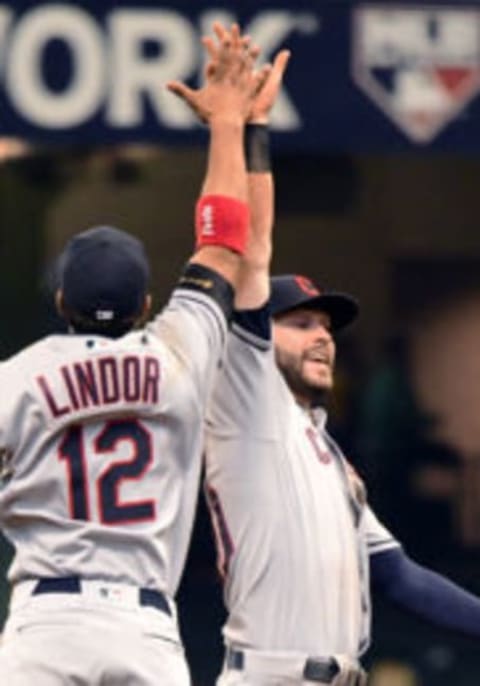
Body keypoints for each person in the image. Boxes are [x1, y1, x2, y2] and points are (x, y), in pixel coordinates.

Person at [0, 23, 267, 686]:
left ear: (61, 300)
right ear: (148, 303)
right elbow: (224, 243)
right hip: (142, 626)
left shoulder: (17, 378)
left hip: (44, 625)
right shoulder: (178, 350)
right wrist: (229, 124)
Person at [204, 78, 480, 686]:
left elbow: (399, 578)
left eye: (326, 325)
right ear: (255, 337)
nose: (322, 335)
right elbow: (252, 252)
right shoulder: (248, 404)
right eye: (299, 323)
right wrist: (250, 132)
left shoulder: (327, 455)